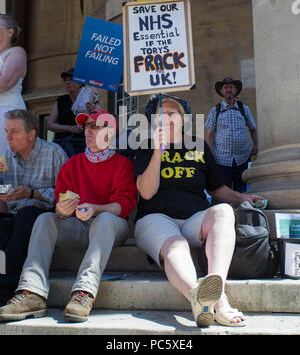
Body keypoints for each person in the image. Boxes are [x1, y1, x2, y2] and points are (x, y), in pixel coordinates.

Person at [134, 94, 264, 328]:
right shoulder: (144, 148)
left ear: (184, 120)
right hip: (155, 219)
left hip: (195, 218)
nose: (165, 118)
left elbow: (217, 189)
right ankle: (200, 296)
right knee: (177, 245)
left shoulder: (199, 146)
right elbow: (146, 192)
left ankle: (216, 293)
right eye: (159, 114)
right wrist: (157, 152)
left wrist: (242, 198)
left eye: (171, 113)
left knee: (224, 211)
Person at [0, 109, 138, 323]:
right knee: (44, 219)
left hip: (110, 226)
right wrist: (61, 210)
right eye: (87, 126)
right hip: (78, 227)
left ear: (110, 133)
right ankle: (32, 292)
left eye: (96, 126)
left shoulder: (123, 164)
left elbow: (125, 205)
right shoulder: (72, 164)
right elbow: (59, 200)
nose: (89, 131)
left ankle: (84, 292)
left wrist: (96, 208)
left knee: (105, 219)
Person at [0, 110, 68, 305]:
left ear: (32, 134)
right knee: (3, 224)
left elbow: (66, 195)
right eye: (6, 131)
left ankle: (6, 286)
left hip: (47, 216)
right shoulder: (5, 157)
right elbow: (4, 187)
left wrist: (31, 193)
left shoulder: (54, 152)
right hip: (15, 214)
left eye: (14, 131)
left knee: (27, 214)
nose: (8, 137)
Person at [205, 77, 258, 192]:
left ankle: (241, 210)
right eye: (225, 87)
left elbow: (253, 129)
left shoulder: (244, 109)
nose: (228, 90)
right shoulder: (215, 110)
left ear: (236, 90)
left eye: (231, 87)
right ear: (221, 91)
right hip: (222, 160)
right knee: (224, 191)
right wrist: (212, 155)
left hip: (242, 158)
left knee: (242, 191)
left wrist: (256, 145)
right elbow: (209, 135)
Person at [0, 14, 27, 155]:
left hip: (6, 113)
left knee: (6, 160)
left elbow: (6, 82)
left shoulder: (16, 52)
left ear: (10, 32)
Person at [47, 68, 86, 157]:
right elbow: (49, 124)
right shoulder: (61, 101)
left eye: (71, 80)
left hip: (83, 145)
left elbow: (101, 121)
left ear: (80, 83)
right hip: (62, 144)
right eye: (65, 80)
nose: (67, 83)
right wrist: (70, 128)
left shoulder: (89, 100)